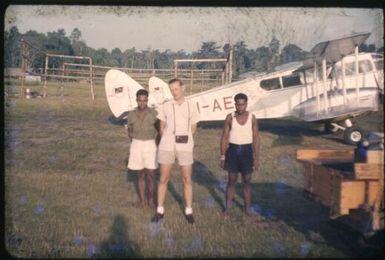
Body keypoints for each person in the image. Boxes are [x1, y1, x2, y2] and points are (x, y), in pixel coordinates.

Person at [151, 78, 200, 224]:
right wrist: (166, 138)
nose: (174, 92)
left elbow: (193, 127)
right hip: (167, 146)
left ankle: (189, 210)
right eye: (171, 90)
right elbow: (161, 125)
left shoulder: (191, 105)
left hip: (185, 146)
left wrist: (186, 139)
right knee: (163, 179)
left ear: (183, 88)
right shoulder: (166, 105)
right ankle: (160, 210)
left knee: (187, 179)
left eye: (176, 89)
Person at [220, 93, 260, 216]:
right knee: (231, 180)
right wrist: (222, 156)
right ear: (235, 104)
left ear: (246, 104)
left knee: (247, 180)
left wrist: (256, 158)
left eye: (243, 104)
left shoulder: (252, 117)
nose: (240, 107)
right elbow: (224, 137)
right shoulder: (230, 117)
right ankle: (228, 208)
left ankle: (247, 208)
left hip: (247, 151)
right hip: (233, 150)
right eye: (238, 104)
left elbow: (256, 137)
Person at [127, 89, 159, 208]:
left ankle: (151, 200)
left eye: (144, 100)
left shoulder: (154, 114)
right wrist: (134, 142)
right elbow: (129, 130)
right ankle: (142, 202)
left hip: (150, 144)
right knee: (140, 174)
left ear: (147, 100)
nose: (142, 103)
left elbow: (160, 130)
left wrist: (155, 143)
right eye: (140, 100)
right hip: (136, 144)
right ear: (136, 100)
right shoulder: (131, 114)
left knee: (151, 174)